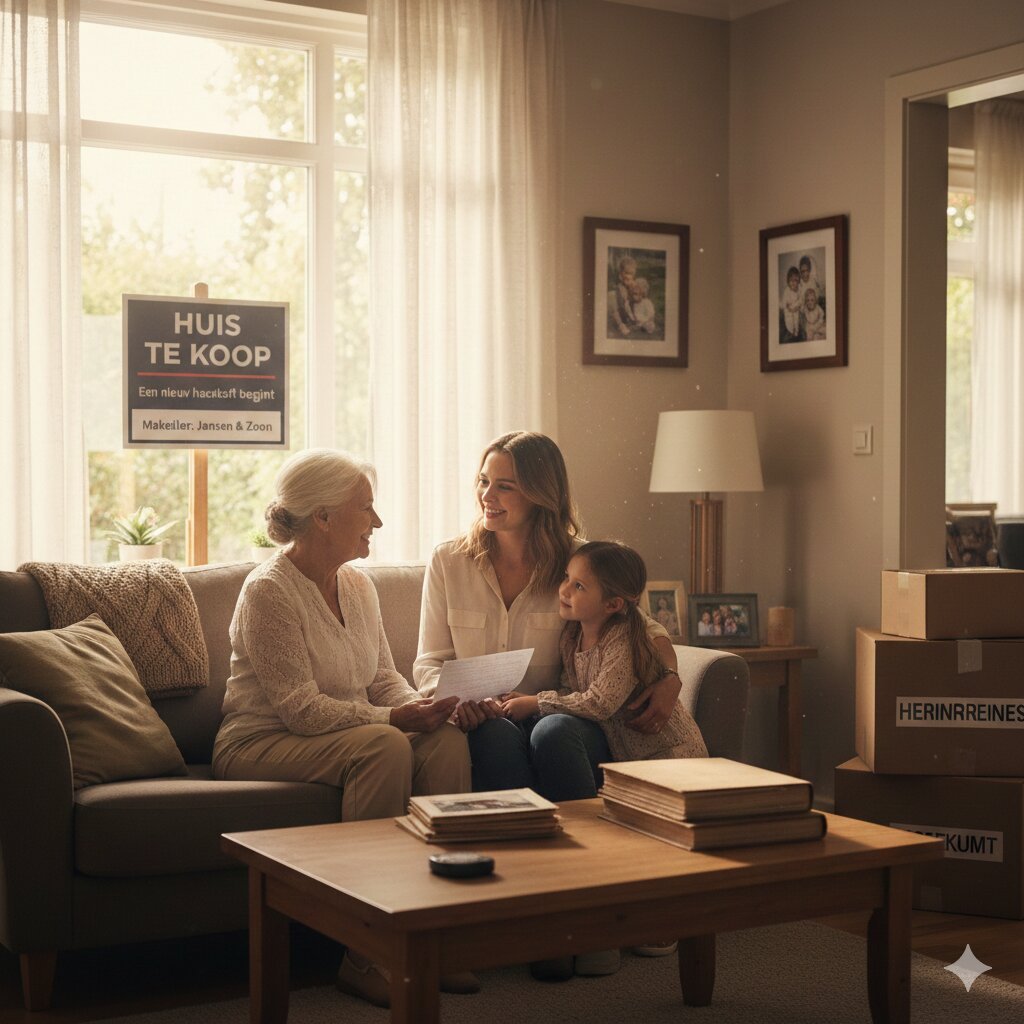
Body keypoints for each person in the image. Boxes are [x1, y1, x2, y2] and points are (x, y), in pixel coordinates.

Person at [414, 431, 685, 979]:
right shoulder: (449, 561)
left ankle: (592, 913)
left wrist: (672, 677)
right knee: (493, 738)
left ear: (542, 493)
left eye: (505, 486)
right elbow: (428, 659)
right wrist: (449, 700)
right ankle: (528, 920)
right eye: (484, 482)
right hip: (485, 717)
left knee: (552, 733)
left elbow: (640, 621)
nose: (488, 495)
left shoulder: (575, 562)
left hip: (561, 714)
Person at [211, 447, 475, 1008]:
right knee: (383, 745)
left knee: (446, 742)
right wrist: (393, 719)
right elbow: (300, 708)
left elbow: (382, 679)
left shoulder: (359, 586)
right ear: (323, 517)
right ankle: (365, 954)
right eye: (366, 508)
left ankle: (432, 940)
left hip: (346, 730)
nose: (376, 522)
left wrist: (425, 706)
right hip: (260, 739)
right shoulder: (268, 591)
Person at [500, 541, 708, 765]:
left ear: (612, 605)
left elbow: (600, 703)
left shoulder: (622, 640)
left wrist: (537, 703)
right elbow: (571, 689)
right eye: (566, 577)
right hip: (630, 759)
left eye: (578, 586)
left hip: (672, 756)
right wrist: (529, 702)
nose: (564, 589)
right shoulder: (572, 636)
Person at [607, 254, 638, 336]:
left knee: (631, 305)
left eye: (631, 273)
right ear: (621, 273)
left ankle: (632, 320)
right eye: (626, 273)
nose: (628, 275)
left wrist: (632, 286)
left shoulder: (632, 282)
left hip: (627, 305)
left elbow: (635, 293)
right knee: (614, 308)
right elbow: (620, 293)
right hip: (619, 302)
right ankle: (620, 325)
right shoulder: (620, 283)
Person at [780, 265, 803, 341]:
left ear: (798, 281)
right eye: (791, 280)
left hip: (795, 308)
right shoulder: (787, 290)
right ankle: (790, 330)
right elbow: (784, 302)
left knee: (796, 320)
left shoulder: (799, 289)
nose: (793, 283)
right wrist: (786, 306)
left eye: (795, 280)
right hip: (789, 310)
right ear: (788, 281)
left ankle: (796, 332)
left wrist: (797, 306)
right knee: (789, 321)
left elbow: (801, 299)